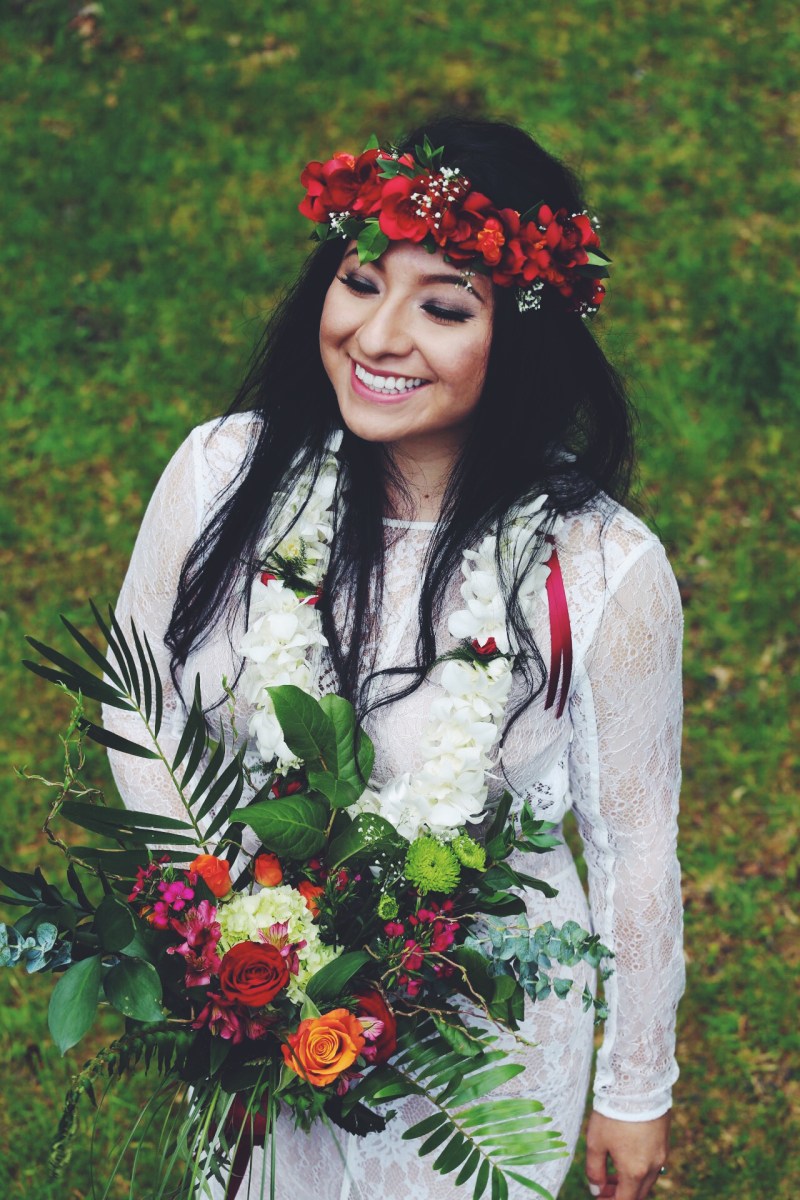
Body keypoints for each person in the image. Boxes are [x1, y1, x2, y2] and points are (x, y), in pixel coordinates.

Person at [103, 115, 685, 1200]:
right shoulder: (220, 476)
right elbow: (140, 705)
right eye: (361, 281)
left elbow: (634, 843)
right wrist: (230, 924)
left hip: (482, 1042)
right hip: (252, 1006)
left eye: (444, 307)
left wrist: (633, 1086)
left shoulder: (600, 565)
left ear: (518, 337)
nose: (378, 337)